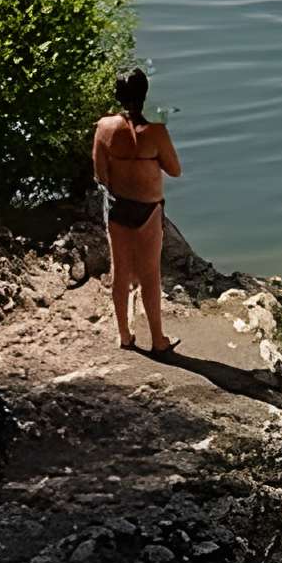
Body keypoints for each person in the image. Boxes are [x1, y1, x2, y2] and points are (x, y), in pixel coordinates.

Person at [91, 70, 181, 354]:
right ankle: (158, 340)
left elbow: (100, 173)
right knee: (150, 275)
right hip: (148, 210)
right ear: (144, 95)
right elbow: (175, 170)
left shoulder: (104, 128)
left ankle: (125, 335)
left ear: (118, 95)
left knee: (121, 272)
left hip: (118, 207)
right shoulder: (155, 131)